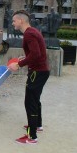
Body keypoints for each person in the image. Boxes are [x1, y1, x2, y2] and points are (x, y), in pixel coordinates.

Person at [8, 10, 50, 145]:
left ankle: (32, 137)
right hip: (42, 71)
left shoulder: (29, 34)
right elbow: (36, 53)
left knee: (30, 102)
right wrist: (26, 58)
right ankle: (37, 125)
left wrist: (19, 64)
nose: (13, 23)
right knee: (35, 100)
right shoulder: (33, 31)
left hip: (37, 72)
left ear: (21, 20)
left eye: (14, 20)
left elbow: (36, 55)